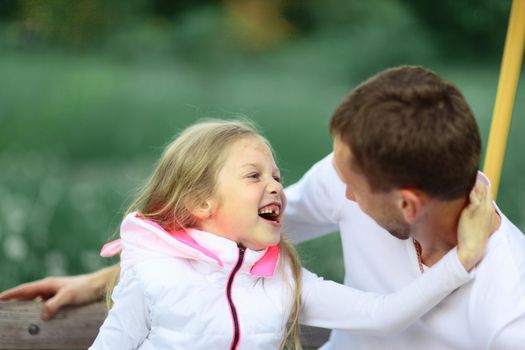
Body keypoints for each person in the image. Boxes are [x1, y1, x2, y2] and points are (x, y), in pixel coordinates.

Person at [1, 66, 515, 349]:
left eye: (351, 184)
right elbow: (218, 236)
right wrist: (103, 280)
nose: (339, 192)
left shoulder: (510, 306)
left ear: (407, 203)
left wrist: (459, 263)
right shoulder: (352, 181)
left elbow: (380, 316)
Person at [88, 119, 489, 350]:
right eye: (253, 176)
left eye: (277, 176)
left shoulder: (285, 279)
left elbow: (380, 314)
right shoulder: (155, 273)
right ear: (201, 202)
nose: (277, 186)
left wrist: (462, 259)